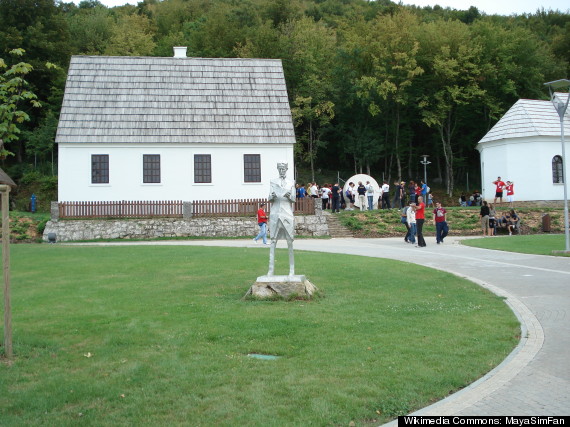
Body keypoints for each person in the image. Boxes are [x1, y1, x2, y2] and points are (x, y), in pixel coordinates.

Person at [268, 162, 296, 276]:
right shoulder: (273, 181)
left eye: (283, 169)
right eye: (280, 169)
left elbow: (293, 199)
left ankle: (292, 269)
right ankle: (270, 270)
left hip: (287, 212)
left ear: (286, 169)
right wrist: (272, 196)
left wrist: (289, 195)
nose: (281, 171)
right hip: (275, 212)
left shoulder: (291, 182)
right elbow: (269, 197)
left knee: (290, 241)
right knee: (273, 241)